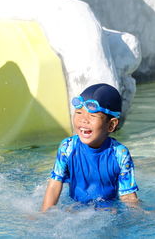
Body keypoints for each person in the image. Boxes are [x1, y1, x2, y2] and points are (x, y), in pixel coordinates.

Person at [41, 83, 138, 212]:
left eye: (92, 116)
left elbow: (128, 196)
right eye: (79, 113)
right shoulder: (68, 147)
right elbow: (55, 183)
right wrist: (44, 213)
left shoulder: (120, 154)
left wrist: (137, 214)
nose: (83, 120)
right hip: (75, 207)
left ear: (111, 125)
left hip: (108, 209)